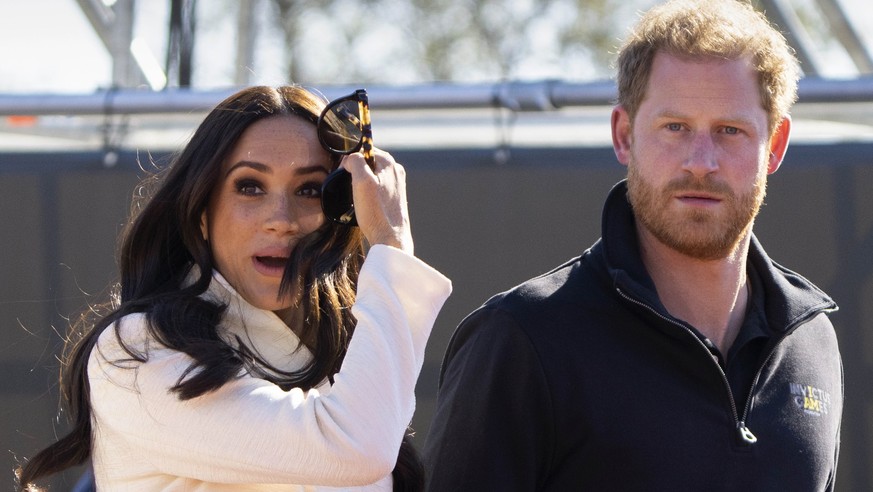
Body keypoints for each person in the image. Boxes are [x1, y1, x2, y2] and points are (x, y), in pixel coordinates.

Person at [424, 0, 843, 490]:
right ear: (624, 135)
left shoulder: (812, 343)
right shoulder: (523, 338)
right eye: (675, 127)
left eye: (730, 130)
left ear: (773, 146)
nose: (701, 161)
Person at [17, 85, 452, 491]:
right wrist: (393, 248)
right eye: (250, 186)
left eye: (309, 189)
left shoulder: (354, 357)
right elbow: (353, 446)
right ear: (202, 213)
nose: (281, 217)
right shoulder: (139, 350)